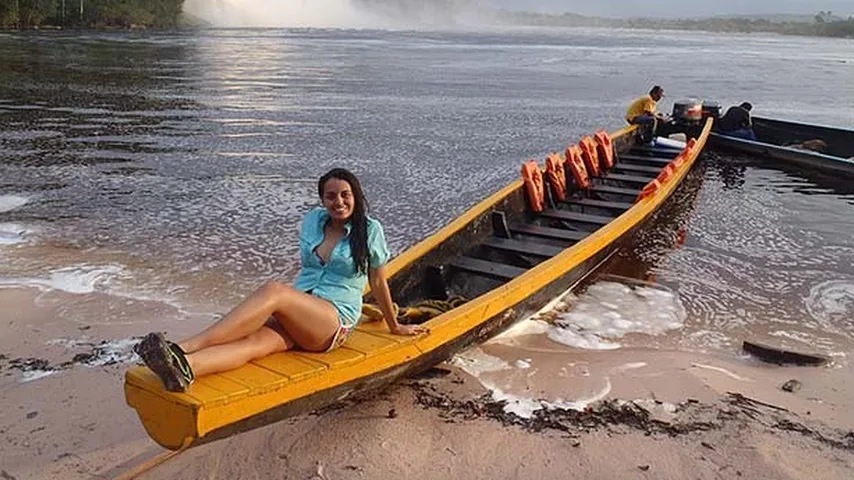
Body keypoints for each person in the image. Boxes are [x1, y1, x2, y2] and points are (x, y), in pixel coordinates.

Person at [134, 168, 427, 393]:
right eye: (330, 196)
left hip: (332, 321)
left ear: (356, 196)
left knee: (274, 291)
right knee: (254, 343)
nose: (338, 201)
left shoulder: (370, 230)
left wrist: (395, 325)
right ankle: (186, 369)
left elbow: (378, 282)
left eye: (345, 195)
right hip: (302, 312)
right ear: (322, 199)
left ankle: (184, 347)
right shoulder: (314, 220)